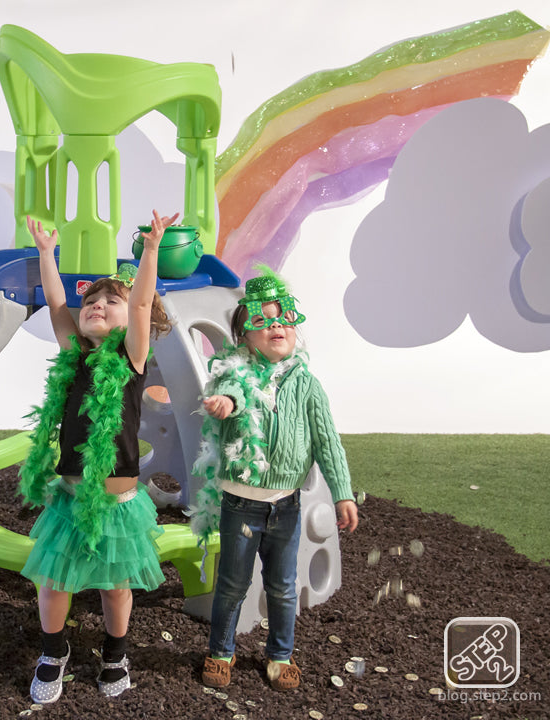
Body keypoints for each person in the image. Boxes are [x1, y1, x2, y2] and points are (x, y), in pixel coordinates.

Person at [18, 211, 177, 703]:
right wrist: (47, 254)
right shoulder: (75, 353)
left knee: (115, 587)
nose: (97, 306)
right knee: (54, 581)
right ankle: (52, 652)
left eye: (112, 301)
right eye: (92, 301)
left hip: (121, 504)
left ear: (133, 321)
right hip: (69, 499)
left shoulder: (129, 357)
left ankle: (115, 653)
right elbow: (56, 301)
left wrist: (150, 251)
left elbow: (144, 299)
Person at [190, 265, 359, 692]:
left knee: (282, 586)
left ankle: (280, 654)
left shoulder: (307, 385)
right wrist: (225, 404)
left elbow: (328, 442)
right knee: (231, 583)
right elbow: (232, 394)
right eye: (263, 322)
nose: (276, 327)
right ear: (245, 336)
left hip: (285, 506)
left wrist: (342, 493)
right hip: (240, 505)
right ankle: (221, 651)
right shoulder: (235, 374)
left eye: (283, 319)